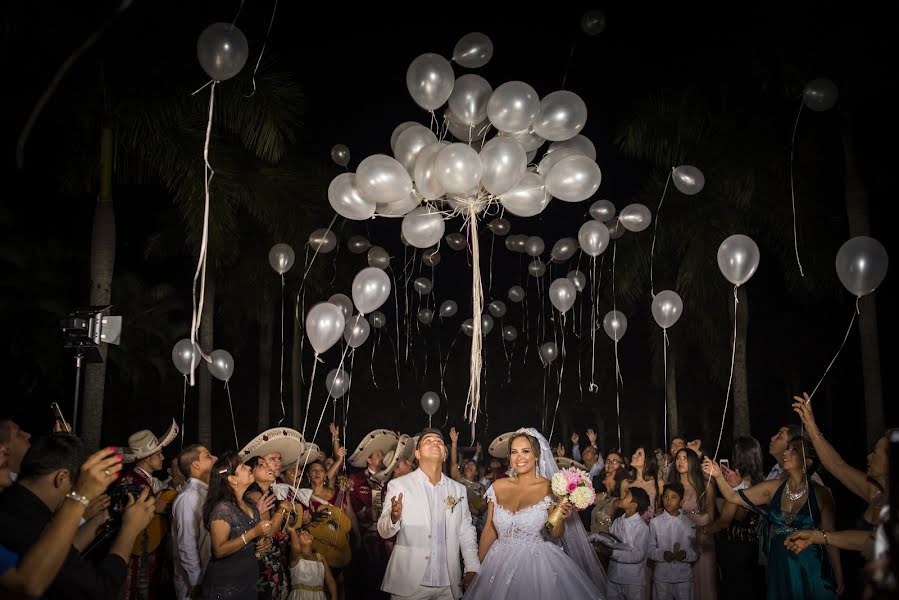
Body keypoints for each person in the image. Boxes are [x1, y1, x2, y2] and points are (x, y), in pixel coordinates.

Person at [0, 433, 156, 599]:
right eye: (77, 485)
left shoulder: (14, 504)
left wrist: (106, 516)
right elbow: (101, 589)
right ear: (61, 478)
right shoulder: (29, 522)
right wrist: (129, 531)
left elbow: (62, 549)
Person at [462, 428, 606, 599]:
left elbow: (554, 532)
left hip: (535, 565)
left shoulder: (550, 487)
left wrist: (560, 513)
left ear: (536, 455)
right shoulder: (498, 486)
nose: (519, 457)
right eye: (514, 452)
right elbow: (489, 530)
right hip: (497, 562)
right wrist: (475, 568)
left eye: (525, 451)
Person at [703, 436, 844, 598]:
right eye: (788, 448)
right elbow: (733, 497)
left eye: (794, 450)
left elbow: (830, 537)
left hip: (809, 565)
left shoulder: (822, 494)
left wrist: (838, 573)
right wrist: (718, 475)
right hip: (779, 563)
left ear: (808, 462)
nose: (787, 452)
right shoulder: (772, 487)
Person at [118, 419, 179, 600]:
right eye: (158, 454)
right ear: (146, 458)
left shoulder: (148, 480)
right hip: (137, 551)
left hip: (150, 551)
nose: (163, 457)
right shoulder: (131, 481)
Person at [202, 452, 274, 600]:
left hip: (249, 579)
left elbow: (255, 536)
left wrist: (263, 540)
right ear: (233, 479)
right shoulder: (223, 509)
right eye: (242, 466)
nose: (248, 467)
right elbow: (219, 550)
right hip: (227, 584)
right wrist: (253, 533)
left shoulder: (250, 503)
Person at [701, 436, 765, 600]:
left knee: (733, 589)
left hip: (734, 546)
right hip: (753, 546)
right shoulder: (762, 482)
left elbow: (725, 520)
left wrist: (703, 530)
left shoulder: (737, 485)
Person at [348, 429, 398, 598]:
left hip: (388, 535)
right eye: (378, 455)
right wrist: (365, 512)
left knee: (388, 572)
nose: (382, 457)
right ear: (368, 459)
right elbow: (350, 506)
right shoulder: (356, 479)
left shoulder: (391, 479)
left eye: (383, 455)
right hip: (365, 534)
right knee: (368, 575)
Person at [667, 448, 716, 600]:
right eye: (678, 458)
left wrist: (699, 526)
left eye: (685, 458)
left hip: (701, 539)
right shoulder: (671, 486)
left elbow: (711, 515)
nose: (680, 462)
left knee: (702, 583)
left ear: (693, 462)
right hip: (677, 541)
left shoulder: (705, 485)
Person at [172, 444, 216, 600]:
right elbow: (186, 545)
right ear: (196, 464)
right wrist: (196, 582)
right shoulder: (188, 497)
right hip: (193, 585)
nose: (214, 458)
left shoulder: (205, 491)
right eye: (208, 456)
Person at [648, 482, 697, 600]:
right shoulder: (655, 523)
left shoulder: (690, 523)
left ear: (681, 501)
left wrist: (686, 554)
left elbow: (696, 549)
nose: (668, 500)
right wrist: (662, 555)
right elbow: (649, 549)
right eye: (666, 497)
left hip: (683, 577)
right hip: (662, 577)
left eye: (673, 497)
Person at [607, 487, 650, 600]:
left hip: (632, 579)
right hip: (613, 576)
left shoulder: (641, 527)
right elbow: (611, 541)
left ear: (634, 504)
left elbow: (638, 555)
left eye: (626, 496)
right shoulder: (617, 521)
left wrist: (613, 553)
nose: (622, 497)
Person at [448, 427, 487, 535]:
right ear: (463, 469)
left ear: (476, 472)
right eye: (467, 464)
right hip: (457, 524)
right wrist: (454, 443)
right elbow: (453, 463)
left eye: (472, 465)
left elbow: (484, 505)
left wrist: (477, 509)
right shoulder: (458, 480)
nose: (469, 465)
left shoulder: (480, 487)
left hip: (474, 526)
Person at [286, 526, 337, 600]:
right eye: (301, 533)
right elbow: (296, 548)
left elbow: (330, 580)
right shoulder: (295, 558)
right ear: (293, 541)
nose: (306, 533)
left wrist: (334, 597)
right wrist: (292, 531)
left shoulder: (321, 558)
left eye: (307, 532)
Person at [622, 446, 662, 518]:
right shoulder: (626, 483)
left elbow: (661, 507)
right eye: (634, 453)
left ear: (647, 460)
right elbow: (622, 508)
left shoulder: (658, 483)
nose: (634, 456)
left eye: (639, 454)